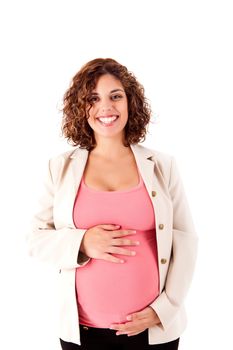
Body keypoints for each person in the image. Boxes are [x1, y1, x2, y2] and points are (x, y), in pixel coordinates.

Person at [27, 58, 198, 350]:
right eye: (93, 98)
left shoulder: (162, 166)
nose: (106, 107)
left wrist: (164, 310)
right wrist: (81, 242)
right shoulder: (60, 168)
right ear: (81, 108)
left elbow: (185, 240)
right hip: (82, 333)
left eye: (115, 96)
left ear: (130, 103)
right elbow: (36, 239)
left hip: (153, 331)